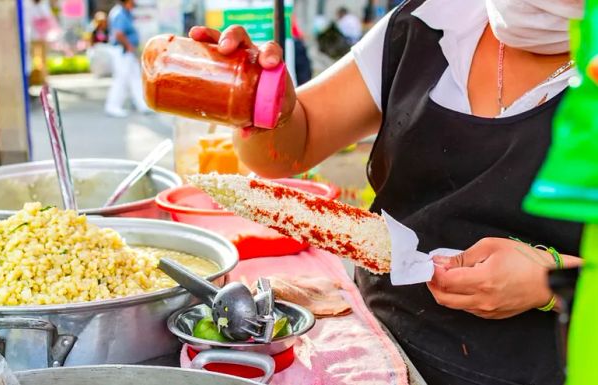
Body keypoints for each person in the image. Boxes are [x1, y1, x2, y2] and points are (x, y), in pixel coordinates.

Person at [188, 0, 584, 383]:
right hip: (374, 346)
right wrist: (261, 101)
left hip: (543, 365)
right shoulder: (428, 20)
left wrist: (550, 283)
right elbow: (294, 144)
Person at [105, 0, 150, 117]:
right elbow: (119, 33)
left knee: (135, 78)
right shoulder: (119, 13)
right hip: (122, 50)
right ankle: (113, 106)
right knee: (121, 78)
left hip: (128, 51)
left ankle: (143, 104)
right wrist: (129, 46)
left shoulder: (126, 12)